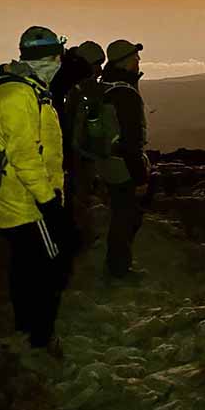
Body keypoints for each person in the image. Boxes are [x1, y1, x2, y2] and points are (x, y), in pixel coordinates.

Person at [0, 26, 75, 357]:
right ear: (50, 57)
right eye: (58, 56)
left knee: (24, 266)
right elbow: (26, 158)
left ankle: (25, 325)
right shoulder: (18, 96)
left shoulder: (25, 89)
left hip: (16, 198)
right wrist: (50, 203)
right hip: (27, 203)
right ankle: (41, 337)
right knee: (50, 269)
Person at [98, 39, 151, 279]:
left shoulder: (105, 86)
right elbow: (131, 140)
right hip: (123, 167)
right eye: (134, 58)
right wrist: (140, 176)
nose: (138, 61)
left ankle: (117, 263)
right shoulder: (125, 94)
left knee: (121, 213)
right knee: (126, 216)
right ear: (125, 62)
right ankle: (119, 268)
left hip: (107, 162)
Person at [63, 41, 106, 248]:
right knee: (79, 195)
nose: (100, 69)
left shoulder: (66, 83)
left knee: (76, 195)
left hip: (70, 151)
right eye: (98, 64)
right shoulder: (82, 88)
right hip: (77, 153)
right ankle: (79, 239)